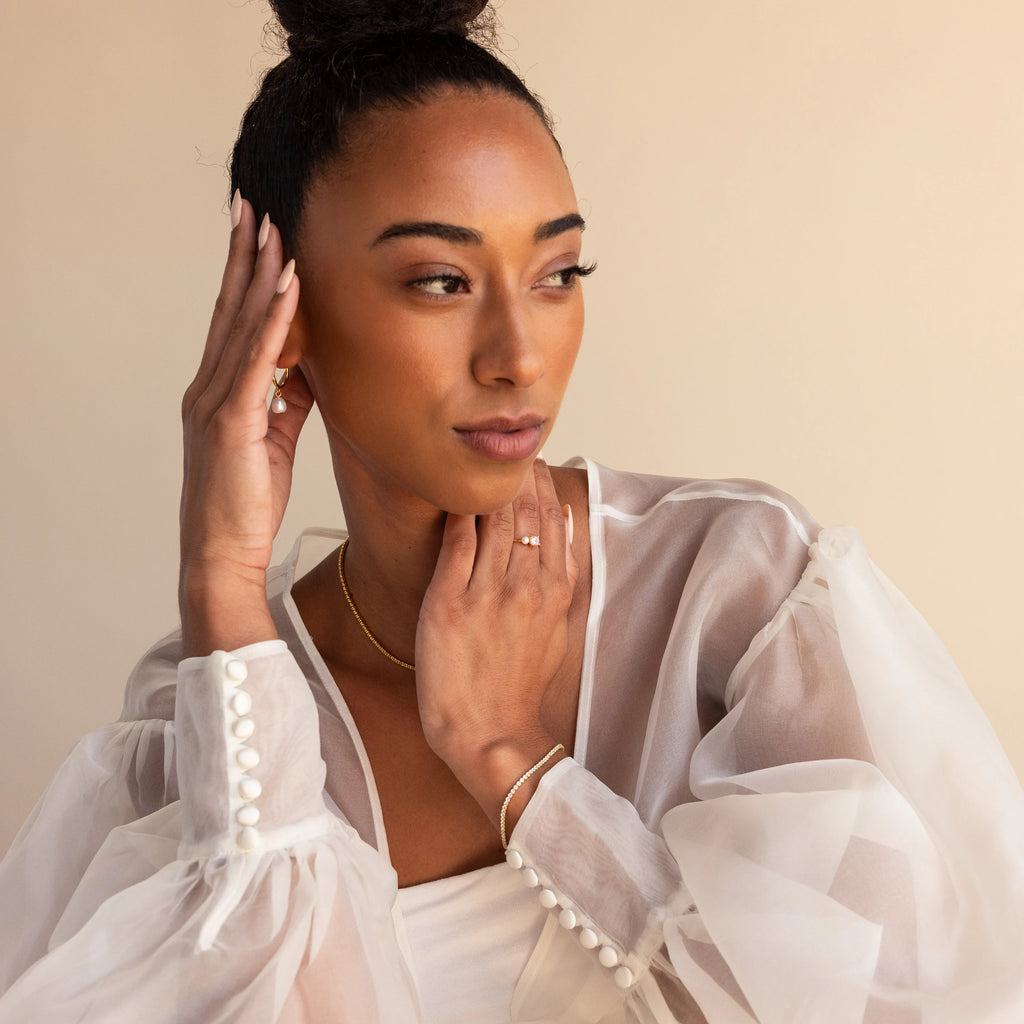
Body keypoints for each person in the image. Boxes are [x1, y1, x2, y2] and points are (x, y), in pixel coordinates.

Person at [1, 1, 1023, 1020]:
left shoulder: (735, 595)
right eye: (441, 281)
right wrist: (220, 579)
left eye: (557, 273)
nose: (520, 356)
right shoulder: (219, 703)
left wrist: (509, 758)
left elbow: (876, 1006)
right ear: (283, 310)